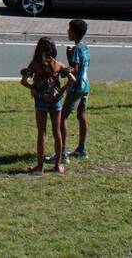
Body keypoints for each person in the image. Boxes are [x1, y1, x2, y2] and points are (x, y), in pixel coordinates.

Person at [20, 36, 72, 173]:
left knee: (41, 132)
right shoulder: (57, 64)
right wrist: (61, 91)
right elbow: (72, 79)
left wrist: (34, 88)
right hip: (56, 101)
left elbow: (23, 81)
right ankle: (57, 166)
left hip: (41, 101)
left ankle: (39, 166)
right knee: (57, 132)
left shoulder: (35, 65)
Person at [48, 19, 90, 165]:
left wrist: (62, 70)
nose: (67, 32)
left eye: (69, 30)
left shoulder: (76, 49)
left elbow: (74, 70)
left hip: (76, 87)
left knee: (62, 118)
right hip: (86, 86)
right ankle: (82, 149)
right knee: (81, 115)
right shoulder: (85, 47)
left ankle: (63, 152)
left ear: (74, 32)